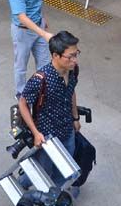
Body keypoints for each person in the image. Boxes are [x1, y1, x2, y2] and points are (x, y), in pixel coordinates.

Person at [17, 31, 85, 194]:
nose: (75, 60)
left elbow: (71, 92)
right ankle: (25, 182)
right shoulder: (41, 79)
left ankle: (55, 194)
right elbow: (23, 103)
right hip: (47, 135)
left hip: (67, 129)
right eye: (70, 56)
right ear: (55, 55)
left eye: (76, 54)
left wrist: (75, 117)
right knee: (44, 168)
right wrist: (36, 133)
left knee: (65, 164)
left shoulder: (73, 70)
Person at [8, 0, 52, 97]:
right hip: (23, 32)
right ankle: (21, 93)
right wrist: (44, 34)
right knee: (21, 65)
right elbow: (22, 17)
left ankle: (43, 91)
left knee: (45, 63)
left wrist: (42, 19)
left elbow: (37, 0)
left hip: (39, 24)